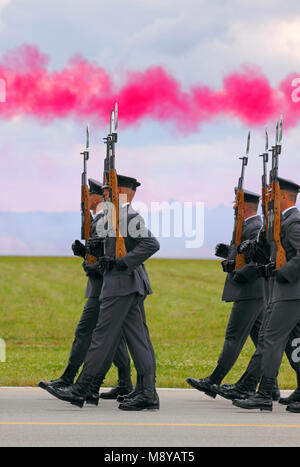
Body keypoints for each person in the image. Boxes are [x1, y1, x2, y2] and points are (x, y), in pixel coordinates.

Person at [45, 175, 160, 411]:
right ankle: (146, 392)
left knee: (102, 337)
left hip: (122, 286)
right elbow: (111, 255)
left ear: (120, 194)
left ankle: (84, 388)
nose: (104, 195)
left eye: (109, 192)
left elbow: (151, 244)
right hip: (123, 286)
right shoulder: (116, 217)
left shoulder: (127, 216)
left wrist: (122, 263)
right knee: (138, 341)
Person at [38, 179, 133, 404]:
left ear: (98, 197)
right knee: (114, 337)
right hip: (100, 284)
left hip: (103, 286)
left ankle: (71, 379)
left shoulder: (107, 220)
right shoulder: (101, 218)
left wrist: (88, 258)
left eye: (89, 196)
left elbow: (109, 254)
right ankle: (124, 382)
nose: (86, 200)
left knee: (86, 333)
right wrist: (85, 255)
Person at [186, 189, 268, 398]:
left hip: (250, 290)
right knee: (263, 343)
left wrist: (241, 273)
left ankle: (214, 379)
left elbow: (258, 258)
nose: (233, 206)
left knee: (234, 336)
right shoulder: (248, 226)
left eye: (236, 203)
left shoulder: (255, 226)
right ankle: (270, 386)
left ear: (244, 206)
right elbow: (244, 253)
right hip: (254, 292)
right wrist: (228, 253)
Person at [232, 178, 300, 412]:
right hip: (288, 292)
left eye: (273, 196)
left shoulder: (294, 221)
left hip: (290, 292)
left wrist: (282, 274)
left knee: (269, 339)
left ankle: (264, 393)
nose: (268, 201)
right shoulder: (281, 221)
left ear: (283, 197)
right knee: (296, 341)